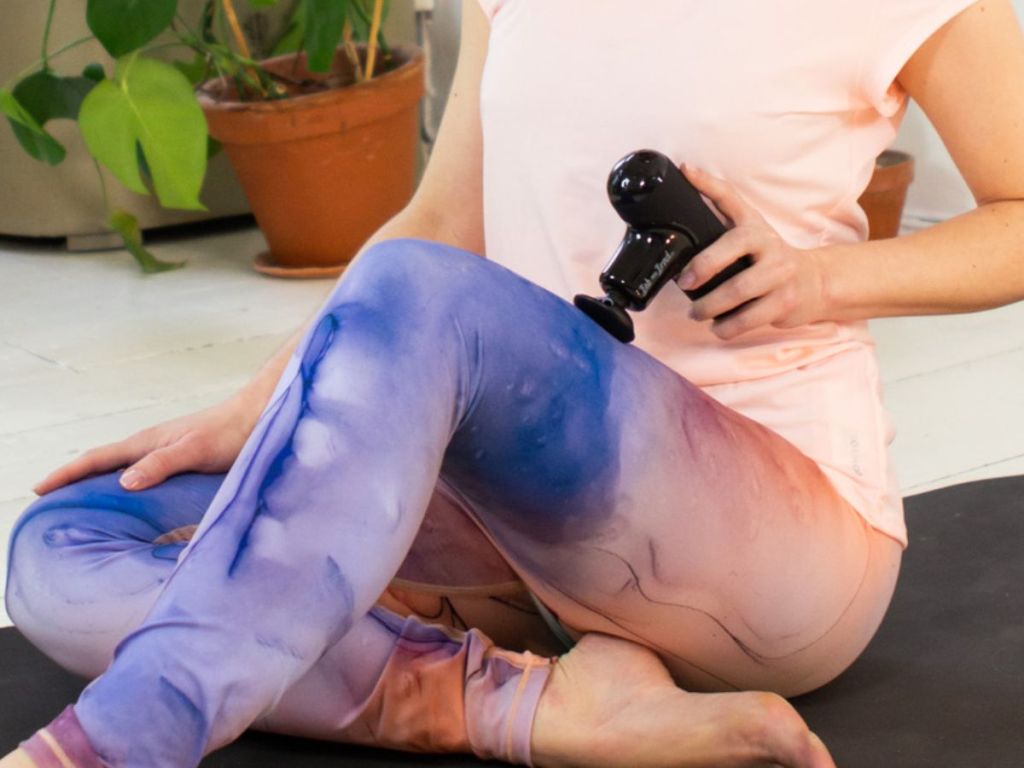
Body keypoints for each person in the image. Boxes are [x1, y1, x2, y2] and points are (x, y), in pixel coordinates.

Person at [4, 0, 1024, 766]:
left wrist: (822, 277)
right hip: (513, 500)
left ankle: (126, 739)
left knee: (429, 300)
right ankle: (519, 706)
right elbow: (440, 220)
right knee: (66, 541)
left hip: (769, 537)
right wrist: (262, 407)